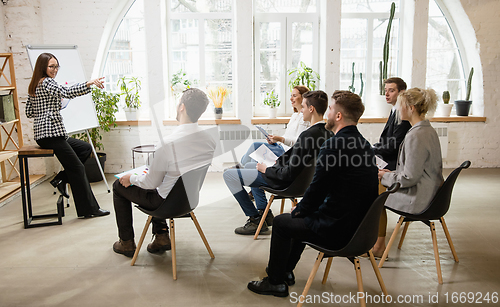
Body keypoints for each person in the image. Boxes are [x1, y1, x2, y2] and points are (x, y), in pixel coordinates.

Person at [247, 90, 378, 298]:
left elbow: (317, 190)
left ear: (338, 116)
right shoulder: (364, 145)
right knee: (302, 216)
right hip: (361, 228)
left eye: (331, 109)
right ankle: (286, 270)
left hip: (338, 230)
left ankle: (274, 281)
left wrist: (301, 209)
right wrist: (303, 210)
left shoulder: (333, 146)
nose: (327, 113)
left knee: (283, 223)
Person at [112, 88, 217, 257]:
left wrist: (130, 178)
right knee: (163, 181)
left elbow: (150, 183)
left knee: (119, 186)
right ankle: (161, 236)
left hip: (164, 204)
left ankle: (126, 243)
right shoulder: (210, 139)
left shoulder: (167, 143)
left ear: (181, 107)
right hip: (189, 201)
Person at [223, 91, 332, 235]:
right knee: (251, 164)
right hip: (301, 181)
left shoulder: (307, 135)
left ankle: (255, 219)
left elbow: (289, 173)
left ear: (311, 109)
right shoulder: (328, 133)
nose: (301, 110)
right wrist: (276, 163)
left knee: (229, 175)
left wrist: (267, 170)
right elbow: (297, 163)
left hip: (287, 183)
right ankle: (264, 212)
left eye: (304, 107)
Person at [26, 52, 110, 218]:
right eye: (51, 66)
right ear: (43, 67)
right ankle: (89, 210)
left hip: (45, 135)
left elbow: (29, 112)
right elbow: (68, 91)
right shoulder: (47, 82)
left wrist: (49, 107)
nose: (55, 69)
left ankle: (60, 179)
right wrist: (89, 83)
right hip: (51, 134)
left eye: (57, 66)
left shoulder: (35, 84)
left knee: (85, 148)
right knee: (77, 167)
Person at [379, 87, 443, 215]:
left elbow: (409, 178)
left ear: (411, 108)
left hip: (419, 198)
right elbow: (416, 169)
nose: (398, 109)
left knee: (376, 192)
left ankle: (379, 236)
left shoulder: (416, 136)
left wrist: (384, 176)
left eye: (400, 105)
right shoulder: (428, 130)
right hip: (432, 193)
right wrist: (392, 173)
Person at [371, 77, 411, 257]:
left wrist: (373, 150)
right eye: (385, 90)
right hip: (388, 160)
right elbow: (385, 142)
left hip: (394, 166)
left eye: (391, 90)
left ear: (402, 92)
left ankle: (378, 244)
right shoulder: (394, 111)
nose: (386, 93)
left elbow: (394, 146)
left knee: (373, 191)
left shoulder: (403, 116)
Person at [237, 85, 310, 167]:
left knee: (255, 147)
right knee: (255, 155)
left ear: (304, 98)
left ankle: (240, 168)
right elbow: (287, 136)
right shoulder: (294, 115)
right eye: (291, 95)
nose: (291, 98)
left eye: (294, 96)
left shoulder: (305, 119)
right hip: (281, 147)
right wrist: (275, 141)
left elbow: (298, 142)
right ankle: (243, 171)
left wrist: (279, 139)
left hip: (286, 153)